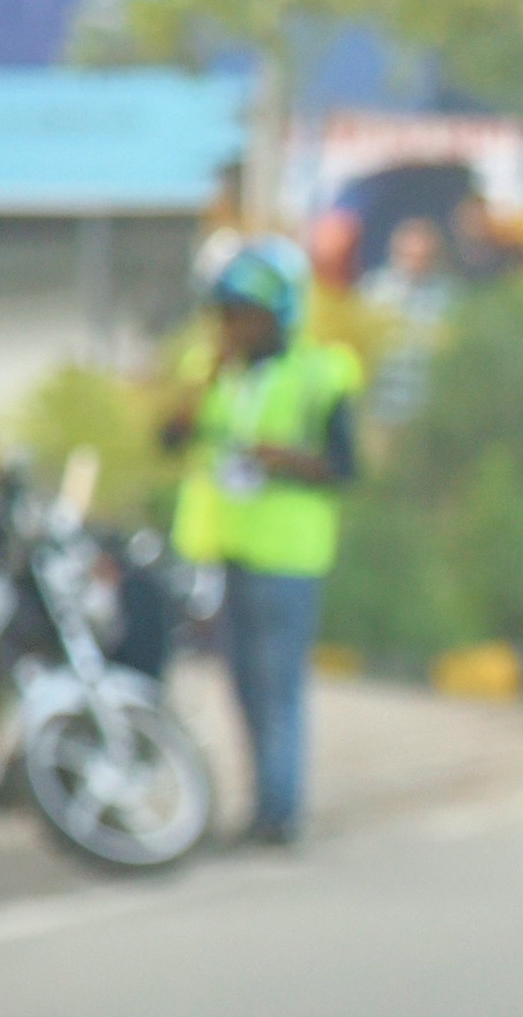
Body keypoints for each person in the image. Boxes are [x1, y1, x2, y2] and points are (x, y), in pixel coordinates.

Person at [161, 236, 363, 847]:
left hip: (288, 554)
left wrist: (286, 460)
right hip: (223, 546)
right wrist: (206, 378)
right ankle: (260, 805)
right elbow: (169, 438)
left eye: (244, 315)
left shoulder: (320, 372)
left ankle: (280, 810)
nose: (233, 327)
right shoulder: (208, 369)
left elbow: (345, 466)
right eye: (225, 316)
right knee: (243, 684)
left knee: (278, 685)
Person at [358, 215, 456, 433]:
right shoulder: (374, 292)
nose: (415, 263)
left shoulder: (449, 296)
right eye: (409, 255)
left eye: (423, 257)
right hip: (379, 411)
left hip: (426, 418)